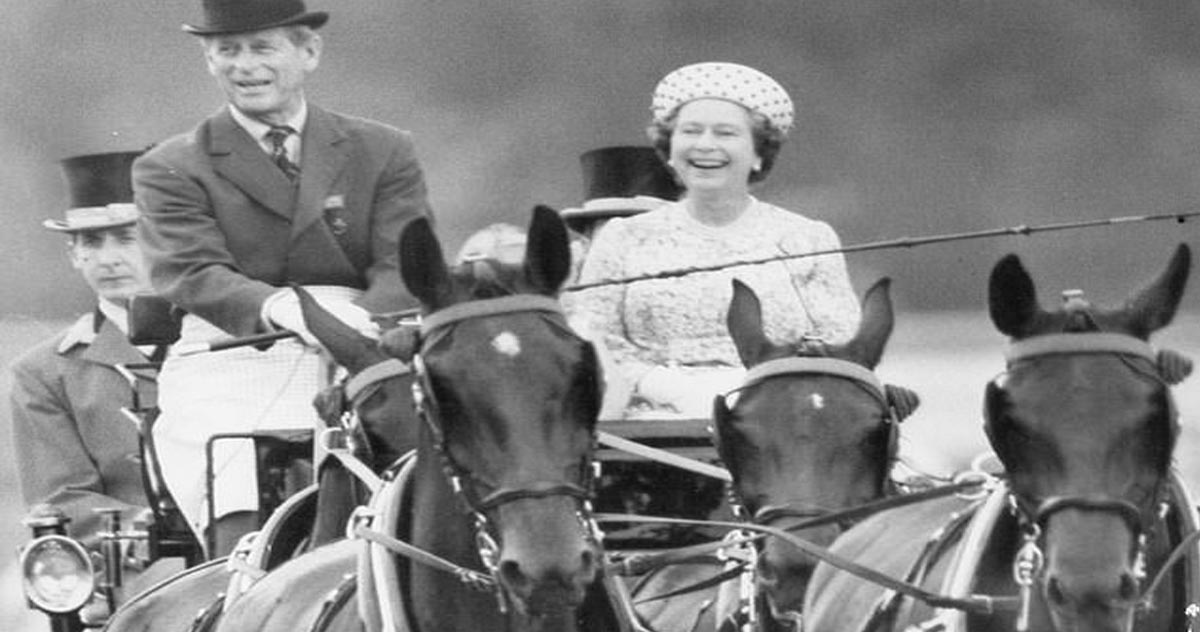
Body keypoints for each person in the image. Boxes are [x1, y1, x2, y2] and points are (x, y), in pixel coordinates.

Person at [133, 0, 432, 555]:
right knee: (234, 464)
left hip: (367, 343)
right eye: (228, 51)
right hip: (234, 351)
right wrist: (287, 310)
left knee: (443, 459)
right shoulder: (171, 165)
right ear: (209, 60)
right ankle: (243, 583)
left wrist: (361, 325)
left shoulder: (383, 149)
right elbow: (192, 271)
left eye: (262, 47)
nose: (245, 66)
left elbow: (407, 261)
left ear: (308, 51)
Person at [571, 62, 861, 420]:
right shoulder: (623, 236)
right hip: (647, 427)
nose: (705, 145)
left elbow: (839, 343)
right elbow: (593, 337)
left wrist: (757, 383)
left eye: (725, 133)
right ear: (669, 150)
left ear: (758, 154)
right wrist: (664, 386)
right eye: (691, 131)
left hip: (782, 422)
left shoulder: (807, 237)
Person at [10, 151, 181, 613]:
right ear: (73, 254)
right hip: (133, 576)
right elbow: (61, 500)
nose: (108, 259)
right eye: (90, 242)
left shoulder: (231, 344)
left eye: (128, 238)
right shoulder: (45, 372)